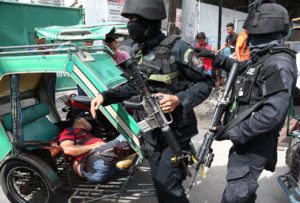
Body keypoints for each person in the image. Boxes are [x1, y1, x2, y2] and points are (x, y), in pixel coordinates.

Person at [90, 0, 213, 202]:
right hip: (152, 135)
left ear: (148, 22)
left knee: (169, 189)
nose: (130, 25)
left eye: (133, 19)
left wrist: (179, 99)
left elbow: (205, 83)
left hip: (175, 131)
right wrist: (105, 96)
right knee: (160, 184)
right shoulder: (140, 52)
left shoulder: (178, 48)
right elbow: (134, 86)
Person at [195, 0, 297, 202]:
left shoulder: (278, 63)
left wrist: (232, 132)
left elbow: (272, 115)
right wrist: (215, 57)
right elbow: (243, 69)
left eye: (250, 34)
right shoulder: (264, 58)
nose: (247, 39)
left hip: (255, 144)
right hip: (246, 140)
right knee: (242, 193)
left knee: (236, 196)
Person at [57, 112, 136, 183]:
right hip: (89, 166)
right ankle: (129, 153)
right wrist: (94, 145)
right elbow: (68, 150)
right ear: (78, 119)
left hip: (103, 166)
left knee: (128, 137)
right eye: (87, 119)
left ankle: (127, 156)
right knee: (130, 134)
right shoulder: (69, 131)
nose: (90, 121)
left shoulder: (86, 133)